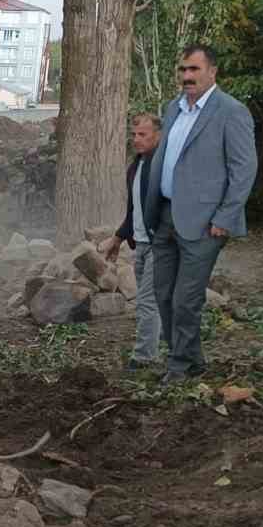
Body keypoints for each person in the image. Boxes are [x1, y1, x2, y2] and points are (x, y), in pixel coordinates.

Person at [142, 44, 257, 383]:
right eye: (183, 70)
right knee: (163, 294)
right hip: (164, 216)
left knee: (185, 300)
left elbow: (244, 169)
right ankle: (193, 359)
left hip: (205, 224)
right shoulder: (173, 109)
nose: (187, 76)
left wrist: (226, 216)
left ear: (212, 72)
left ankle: (179, 367)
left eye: (194, 69)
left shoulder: (231, 112)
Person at [99, 113, 163, 371]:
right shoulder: (135, 166)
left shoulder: (162, 166)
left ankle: (144, 357)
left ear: (158, 135)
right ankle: (168, 341)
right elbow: (132, 210)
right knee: (157, 299)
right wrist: (118, 238)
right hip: (141, 243)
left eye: (143, 135)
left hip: (161, 243)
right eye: (134, 134)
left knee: (147, 299)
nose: (136, 139)